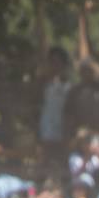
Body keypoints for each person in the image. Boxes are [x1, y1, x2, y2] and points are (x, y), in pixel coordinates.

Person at [36, 48, 72, 177]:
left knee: (62, 152)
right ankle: (42, 179)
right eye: (52, 62)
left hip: (63, 122)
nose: (55, 65)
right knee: (46, 151)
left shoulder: (68, 83)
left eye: (58, 62)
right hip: (47, 122)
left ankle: (63, 179)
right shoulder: (43, 82)